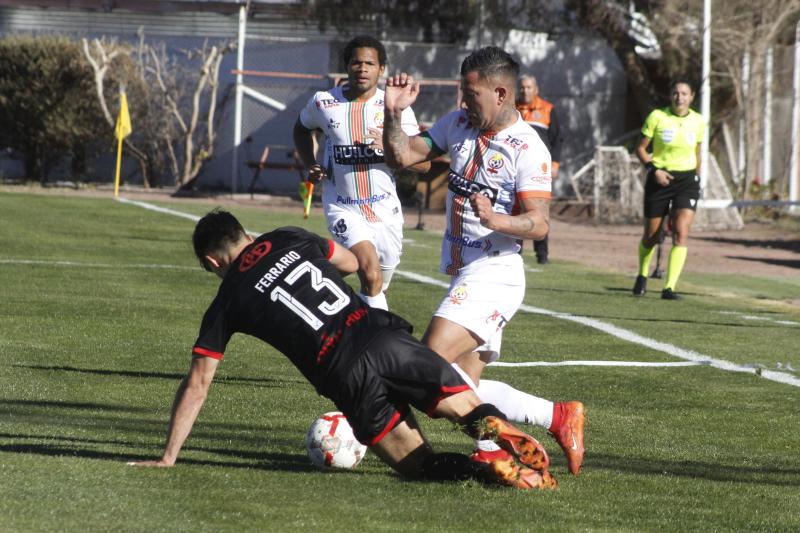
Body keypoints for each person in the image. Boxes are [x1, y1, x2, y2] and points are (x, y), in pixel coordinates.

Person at [129, 209, 557, 490]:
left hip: (344, 374)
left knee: (417, 465)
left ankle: (485, 471)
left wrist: (168, 456)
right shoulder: (288, 236)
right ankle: (495, 431)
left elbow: (198, 384)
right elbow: (352, 263)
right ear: (246, 234)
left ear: (213, 263)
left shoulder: (227, 300)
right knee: (463, 408)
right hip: (381, 336)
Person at [382, 47, 585, 476]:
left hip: (495, 273)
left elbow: (540, 223)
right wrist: (392, 113)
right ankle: (552, 418)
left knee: (426, 364)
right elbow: (402, 156)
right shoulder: (456, 124)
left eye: (471, 94)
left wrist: (498, 220)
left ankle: (378, 439)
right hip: (465, 272)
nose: (463, 101)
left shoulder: (527, 147)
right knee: (463, 387)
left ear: (500, 93)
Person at [293, 35, 429, 311]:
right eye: (356, 63)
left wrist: (391, 147)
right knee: (371, 274)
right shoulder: (324, 103)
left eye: (370, 63)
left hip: (385, 209)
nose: (362, 69)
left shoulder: (396, 108)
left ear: (381, 69)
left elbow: (424, 165)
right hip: (343, 207)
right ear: (347, 66)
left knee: (378, 283)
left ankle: (317, 302)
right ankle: (381, 335)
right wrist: (310, 163)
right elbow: (301, 129)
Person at [633, 78, 705, 300]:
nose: (679, 97)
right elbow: (640, 149)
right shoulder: (657, 117)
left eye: (684, 93)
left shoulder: (699, 121)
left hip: (687, 181)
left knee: (681, 231)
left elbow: (697, 152)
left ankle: (669, 288)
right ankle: (642, 274)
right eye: (676, 93)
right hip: (660, 177)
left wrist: (697, 177)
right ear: (670, 95)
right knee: (651, 236)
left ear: (691, 97)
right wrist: (654, 170)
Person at [516, 74, 563, 264]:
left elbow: (558, 139)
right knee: (516, 209)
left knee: (540, 210)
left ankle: (542, 255)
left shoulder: (548, 109)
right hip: (516, 167)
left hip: (539, 169)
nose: (525, 91)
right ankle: (515, 250)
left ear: (536, 90)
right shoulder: (512, 109)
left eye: (528, 87)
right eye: (522, 87)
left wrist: (555, 164)